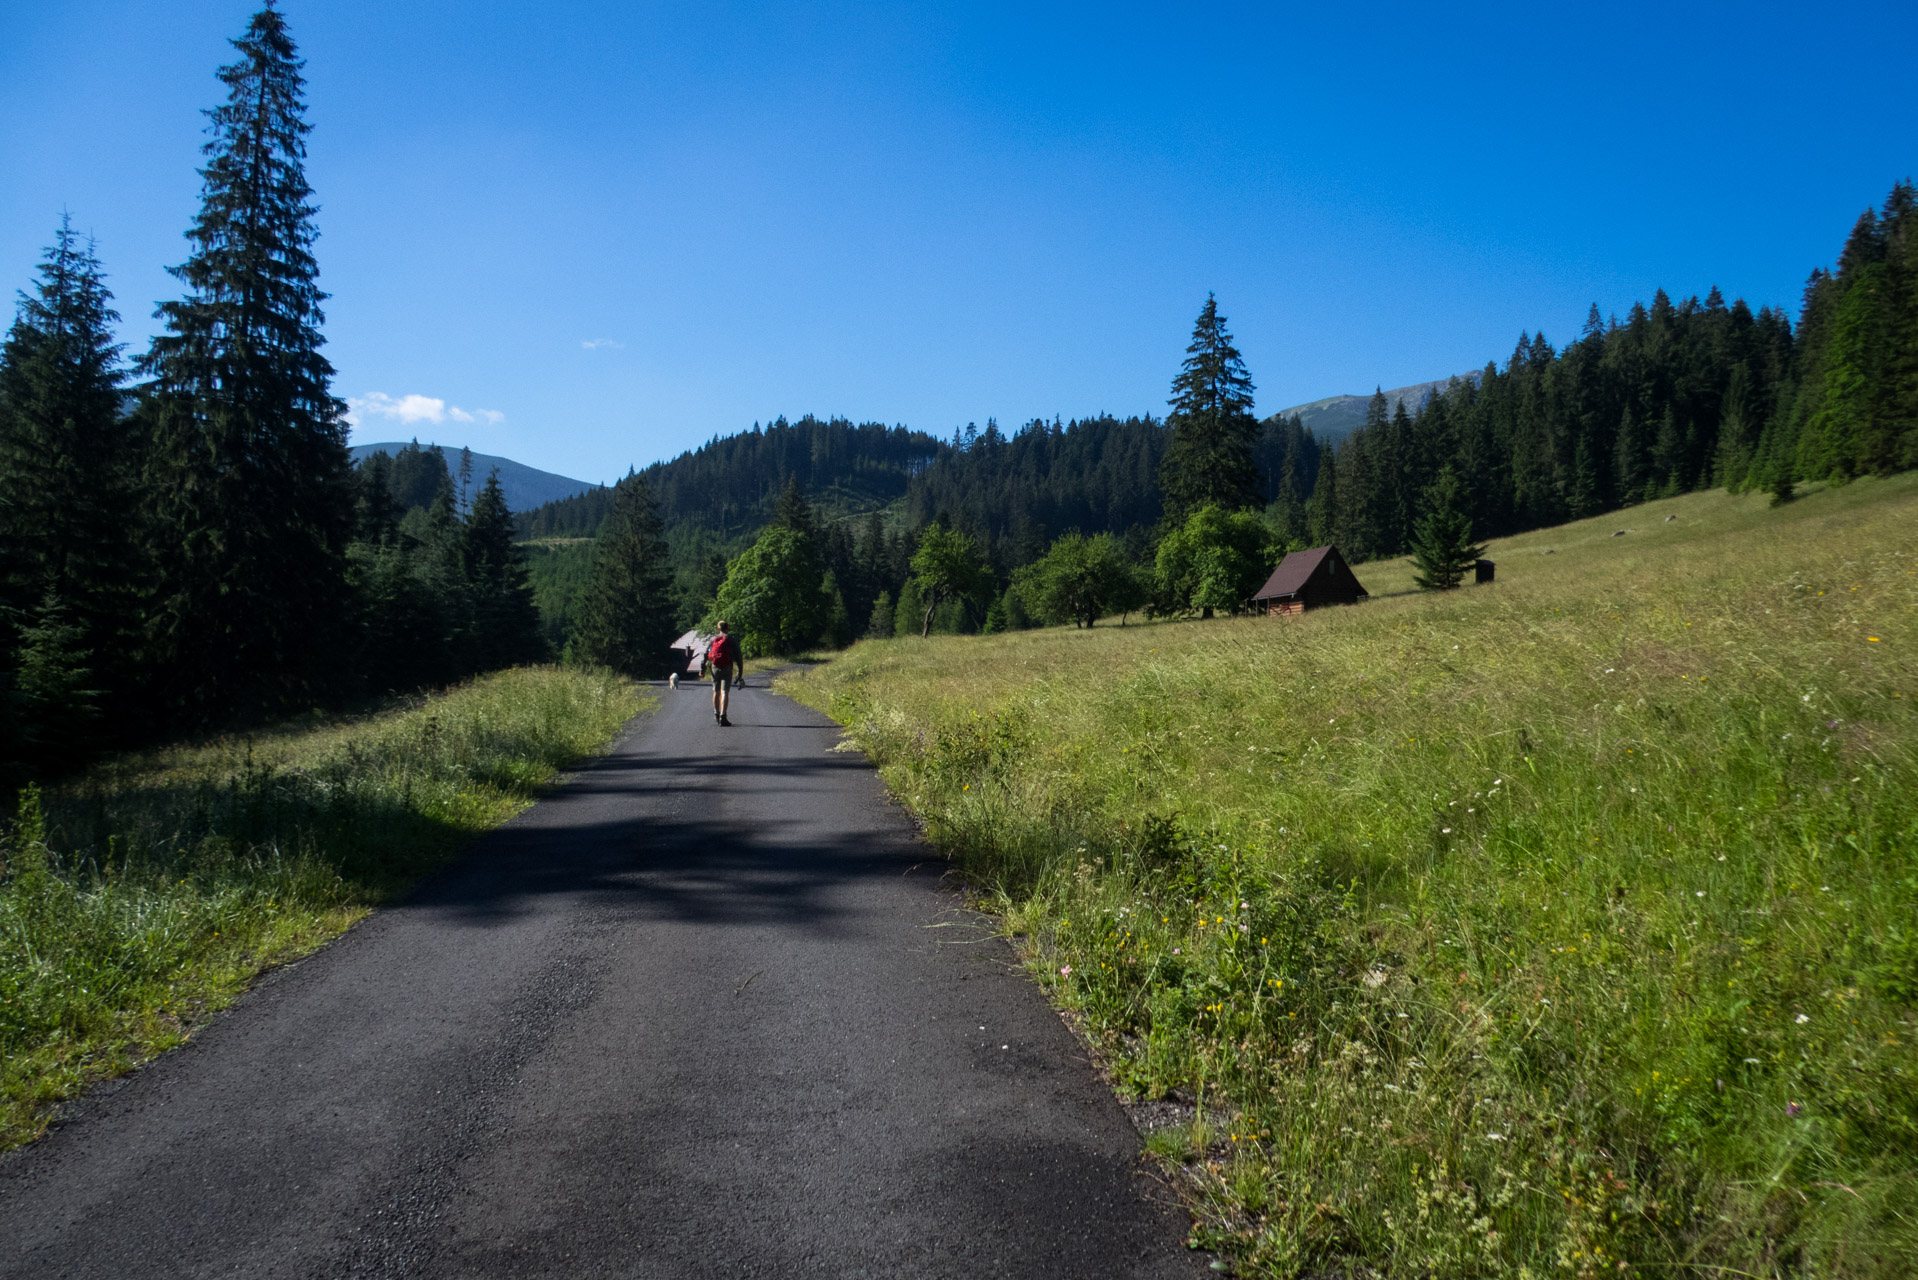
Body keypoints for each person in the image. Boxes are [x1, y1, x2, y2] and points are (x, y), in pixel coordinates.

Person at [707, 621, 742, 726]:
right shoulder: (731, 639)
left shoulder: (713, 639)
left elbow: (706, 653)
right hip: (726, 667)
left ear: (718, 628)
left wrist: (702, 668)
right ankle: (723, 716)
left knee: (716, 691)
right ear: (728, 628)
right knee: (725, 692)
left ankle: (716, 713)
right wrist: (740, 671)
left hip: (715, 667)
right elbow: (738, 656)